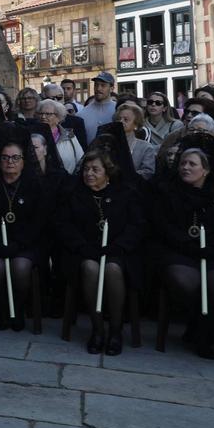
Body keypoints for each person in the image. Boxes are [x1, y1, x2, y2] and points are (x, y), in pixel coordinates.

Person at [149, 135, 214, 359]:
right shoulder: (166, 191)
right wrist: (185, 243)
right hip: (179, 250)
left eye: (192, 164)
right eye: (182, 163)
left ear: (206, 170)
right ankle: (204, 331)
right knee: (184, 281)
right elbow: (161, 224)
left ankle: (201, 330)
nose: (185, 168)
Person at [56, 150, 142, 356]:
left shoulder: (126, 194)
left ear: (108, 172)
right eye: (86, 169)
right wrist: (81, 246)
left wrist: (118, 246)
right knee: (90, 268)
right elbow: (63, 224)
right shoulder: (73, 193)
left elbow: (137, 225)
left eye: (95, 169)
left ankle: (115, 329)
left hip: (118, 251)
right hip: (82, 252)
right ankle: (98, 329)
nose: (89, 174)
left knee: (112, 269)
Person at [0, 135, 46, 330]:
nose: (10, 162)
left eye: (15, 158)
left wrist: (18, 244)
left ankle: (19, 307)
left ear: (24, 161)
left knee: (21, 267)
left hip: (25, 245)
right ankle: (4, 307)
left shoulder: (35, 186)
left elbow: (38, 222)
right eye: (5, 157)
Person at [115, 102, 157, 181]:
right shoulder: (108, 144)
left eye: (126, 120)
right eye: (119, 119)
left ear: (136, 125)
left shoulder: (146, 147)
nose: (121, 122)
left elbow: (148, 172)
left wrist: (126, 176)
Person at [38, 99, 82, 174]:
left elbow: (81, 160)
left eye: (48, 114)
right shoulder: (33, 136)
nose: (43, 117)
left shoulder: (69, 136)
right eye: (41, 113)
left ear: (58, 117)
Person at [78, 71, 117, 143]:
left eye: (103, 85)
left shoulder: (118, 110)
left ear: (111, 88)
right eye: (96, 85)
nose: (98, 88)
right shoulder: (82, 113)